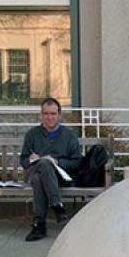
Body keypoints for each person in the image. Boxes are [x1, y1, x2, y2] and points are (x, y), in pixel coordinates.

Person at [21, 97, 83, 242]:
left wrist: (57, 161)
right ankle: (57, 206)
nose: (50, 117)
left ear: (59, 115)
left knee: (42, 171)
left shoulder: (69, 135)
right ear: (42, 115)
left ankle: (40, 225)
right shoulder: (32, 134)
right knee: (41, 169)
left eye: (53, 114)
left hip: (61, 178)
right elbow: (23, 160)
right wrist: (31, 159)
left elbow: (77, 162)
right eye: (46, 113)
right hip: (38, 173)